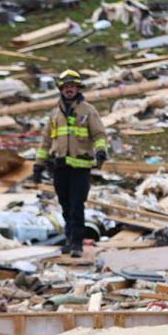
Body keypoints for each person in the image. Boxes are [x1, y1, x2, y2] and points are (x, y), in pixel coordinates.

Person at [35, 69, 108, 257]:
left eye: (72, 86)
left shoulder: (88, 111)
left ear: (78, 88)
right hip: (59, 167)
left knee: (77, 205)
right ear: (61, 88)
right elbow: (45, 142)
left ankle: (77, 243)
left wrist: (100, 152)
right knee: (65, 205)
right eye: (66, 86)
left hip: (80, 168)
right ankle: (69, 240)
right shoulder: (54, 115)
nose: (69, 90)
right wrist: (39, 164)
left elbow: (99, 134)